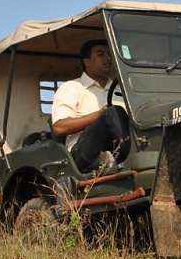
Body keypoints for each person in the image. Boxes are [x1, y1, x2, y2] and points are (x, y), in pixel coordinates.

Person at [51, 39, 130, 173]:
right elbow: (59, 127)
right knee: (113, 112)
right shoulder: (72, 88)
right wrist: (99, 115)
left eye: (109, 54)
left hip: (115, 148)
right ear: (86, 61)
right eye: (101, 54)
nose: (108, 58)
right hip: (81, 154)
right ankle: (133, 156)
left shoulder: (121, 89)